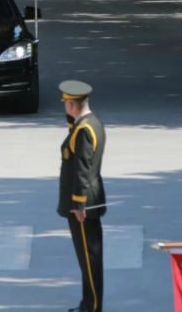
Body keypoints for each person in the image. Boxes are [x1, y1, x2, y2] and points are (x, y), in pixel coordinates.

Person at [58, 80, 106, 312]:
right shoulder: (92, 123)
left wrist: (78, 203)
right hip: (90, 198)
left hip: (84, 203)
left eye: (66, 104)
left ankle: (92, 306)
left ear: (71, 105)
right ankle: (89, 303)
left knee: (89, 258)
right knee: (88, 257)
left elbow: (82, 168)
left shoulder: (84, 131)